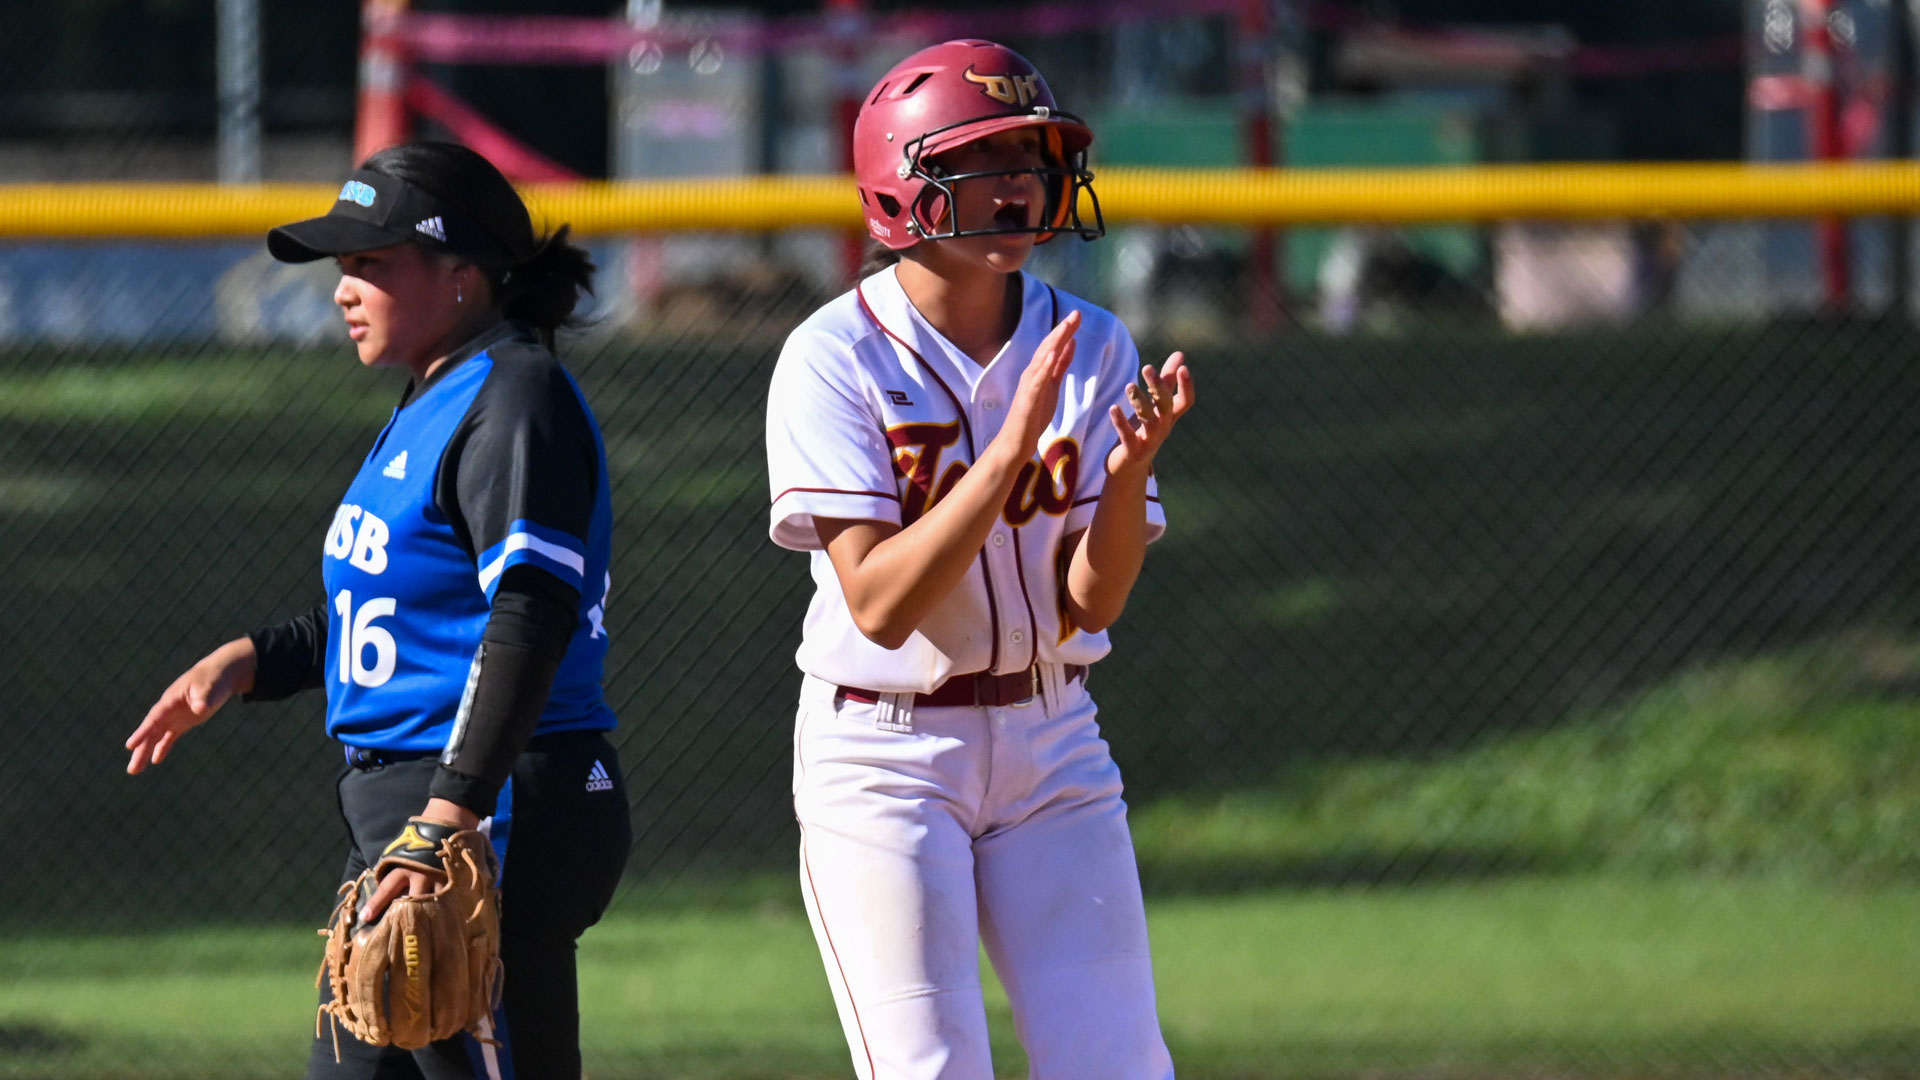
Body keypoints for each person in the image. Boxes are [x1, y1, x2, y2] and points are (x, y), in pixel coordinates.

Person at [124, 141, 631, 1080]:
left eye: (369, 263)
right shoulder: (435, 395)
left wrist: (448, 818)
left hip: (486, 808)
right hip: (417, 814)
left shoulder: (514, 397)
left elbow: (529, 613)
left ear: (461, 272)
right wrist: (253, 660)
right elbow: (408, 612)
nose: (341, 291)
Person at [764, 39, 1195, 1079]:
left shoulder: (1091, 341)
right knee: (932, 1068)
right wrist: (1005, 457)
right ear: (900, 183)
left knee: (1118, 1067)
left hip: (1053, 739)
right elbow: (879, 604)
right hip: (887, 755)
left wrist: (1129, 477)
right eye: (986, 160)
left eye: (1033, 159)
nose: (1020, 185)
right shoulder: (834, 355)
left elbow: (1088, 605)